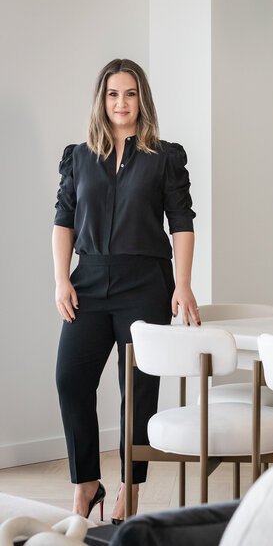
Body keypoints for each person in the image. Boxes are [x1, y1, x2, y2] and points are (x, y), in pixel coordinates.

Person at [52, 58, 200, 524]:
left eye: (130, 93)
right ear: (102, 100)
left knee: (136, 391)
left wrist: (183, 283)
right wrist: (61, 279)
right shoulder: (79, 156)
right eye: (113, 94)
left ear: (142, 99)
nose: (121, 103)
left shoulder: (164, 156)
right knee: (70, 379)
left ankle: (130, 492)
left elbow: (181, 224)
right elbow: (63, 221)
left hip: (145, 284)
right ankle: (86, 485)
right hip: (90, 282)